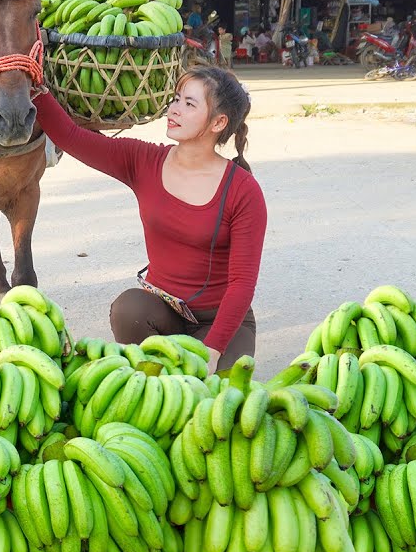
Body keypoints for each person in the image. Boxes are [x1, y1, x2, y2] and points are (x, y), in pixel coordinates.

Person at [31, 66, 267, 372]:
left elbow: (242, 283)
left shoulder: (242, 190)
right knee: (129, 309)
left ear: (218, 122)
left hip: (222, 323)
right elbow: (71, 136)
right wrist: (34, 84)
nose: (174, 109)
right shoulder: (144, 161)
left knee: (212, 402)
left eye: (189, 104)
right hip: (162, 313)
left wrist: (213, 350)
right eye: (176, 99)